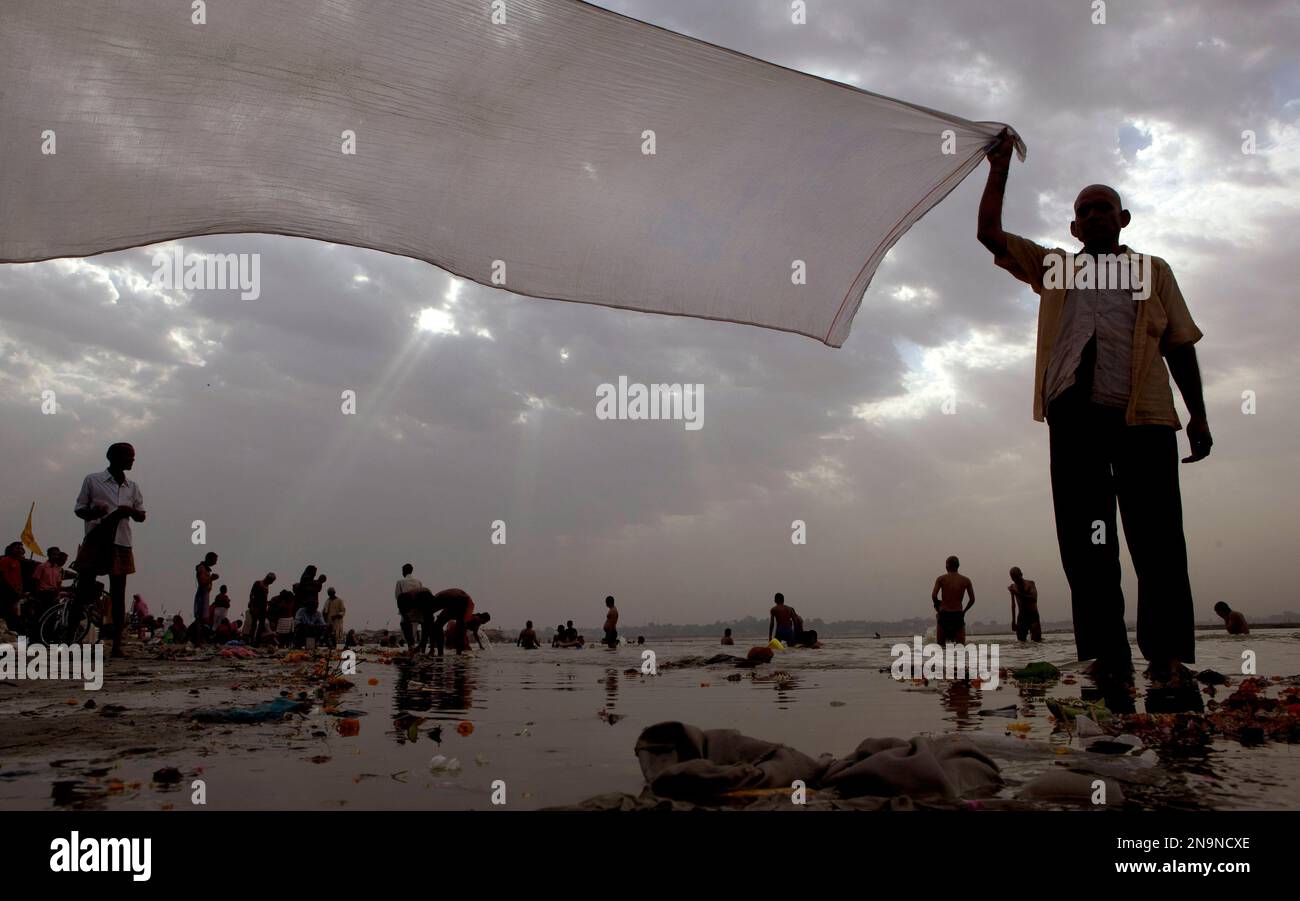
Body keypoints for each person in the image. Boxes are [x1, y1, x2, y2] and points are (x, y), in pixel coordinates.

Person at [978, 129, 1209, 685]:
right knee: (1088, 542)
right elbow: (989, 234)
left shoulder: (1153, 271)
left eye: (1105, 207)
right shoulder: (1058, 268)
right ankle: (1106, 658)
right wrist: (999, 169)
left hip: (1146, 418)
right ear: (1074, 227)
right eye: (1085, 211)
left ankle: (1167, 657)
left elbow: (1178, 343)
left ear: (1123, 218)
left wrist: (1199, 414)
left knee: (1157, 540)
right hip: (1074, 418)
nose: (1096, 216)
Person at [74, 443, 146, 658]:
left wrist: (129, 510)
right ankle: (70, 639)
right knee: (83, 590)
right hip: (96, 540)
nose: (133, 459)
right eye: (129, 456)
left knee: (118, 593)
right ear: (114, 457)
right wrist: (95, 511)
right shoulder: (93, 480)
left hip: (122, 542)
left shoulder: (132, 487)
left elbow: (141, 516)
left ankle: (117, 644)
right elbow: (79, 510)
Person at [931, 556, 975, 645]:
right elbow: (972, 599)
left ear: (947, 566)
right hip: (958, 615)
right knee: (960, 647)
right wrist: (964, 611)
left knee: (941, 647)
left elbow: (934, 595)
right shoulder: (966, 580)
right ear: (958, 566)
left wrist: (938, 607)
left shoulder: (941, 579)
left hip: (944, 614)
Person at [31, 546, 68, 629]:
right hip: (42, 594)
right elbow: (35, 581)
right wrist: (37, 596)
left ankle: (47, 638)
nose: (56, 556)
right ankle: (33, 638)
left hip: (53, 594)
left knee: (52, 617)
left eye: (57, 555)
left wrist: (57, 595)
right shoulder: (42, 566)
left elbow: (58, 584)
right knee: (39, 616)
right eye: (54, 554)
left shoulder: (58, 569)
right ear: (49, 555)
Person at [394, 564, 424, 650]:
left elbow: (398, 596)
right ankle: (419, 646)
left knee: (404, 625)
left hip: (407, 609)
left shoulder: (400, 582)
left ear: (403, 571)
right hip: (418, 610)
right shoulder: (419, 582)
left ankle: (411, 645)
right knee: (415, 627)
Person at [1008, 567, 1042, 642]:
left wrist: (1016, 593)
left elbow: (1034, 599)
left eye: (1016, 577)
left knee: (1037, 641)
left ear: (1021, 575)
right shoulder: (1013, 587)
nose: (1015, 580)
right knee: (1021, 642)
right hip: (1022, 616)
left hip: (1033, 615)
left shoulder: (1030, 584)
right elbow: (1013, 605)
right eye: (1013, 578)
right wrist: (1013, 621)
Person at [193, 551, 219, 644]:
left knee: (203, 619)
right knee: (200, 619)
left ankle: (200, 640)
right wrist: (211, 578)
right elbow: (202, 582)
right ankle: (198, 641)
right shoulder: (201, 568)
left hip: (205, 594)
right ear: (210, 559)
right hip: (202, 594)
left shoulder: (205, 569)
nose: (216, 563)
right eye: (215, 560)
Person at [0, 541, 24, 628]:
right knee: (9, 618)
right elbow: (4, 577)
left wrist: (20, 590)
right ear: (11, 549)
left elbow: (19, 578)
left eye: (21, 548)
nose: (20, 550)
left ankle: (21, 641)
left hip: (16, 595)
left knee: (18, 620)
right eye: (17, 548)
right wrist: (13, 591)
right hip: (7, 594)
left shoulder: (17, 563)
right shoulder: (5, 561)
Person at [247, 572, 275, 644]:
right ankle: (251, 641)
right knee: (254, 624)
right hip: (256, 607)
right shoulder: (258, 583)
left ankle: (257, 641)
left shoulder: (267, 586)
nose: (271, 583)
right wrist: (252, 606)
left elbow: (264, 598)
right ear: (267, 578)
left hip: (263, 608)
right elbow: (252, 594)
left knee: (261, 625)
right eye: (271, 581)